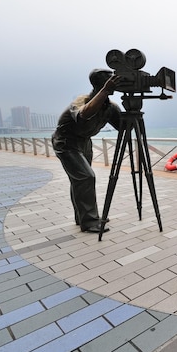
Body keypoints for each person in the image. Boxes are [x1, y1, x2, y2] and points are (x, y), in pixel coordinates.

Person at [52, 69, 121, 233]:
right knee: (86, 177)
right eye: (109, 79)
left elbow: (123, 127)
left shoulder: (110, 107)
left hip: (84, 142)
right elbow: (84, 115)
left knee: (80, 180)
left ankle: (84, 215)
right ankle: (89, 221)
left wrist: (131, 109)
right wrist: (105, 91)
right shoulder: (82, 100)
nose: (114, 81)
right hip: (66, 142)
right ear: (99, 83)